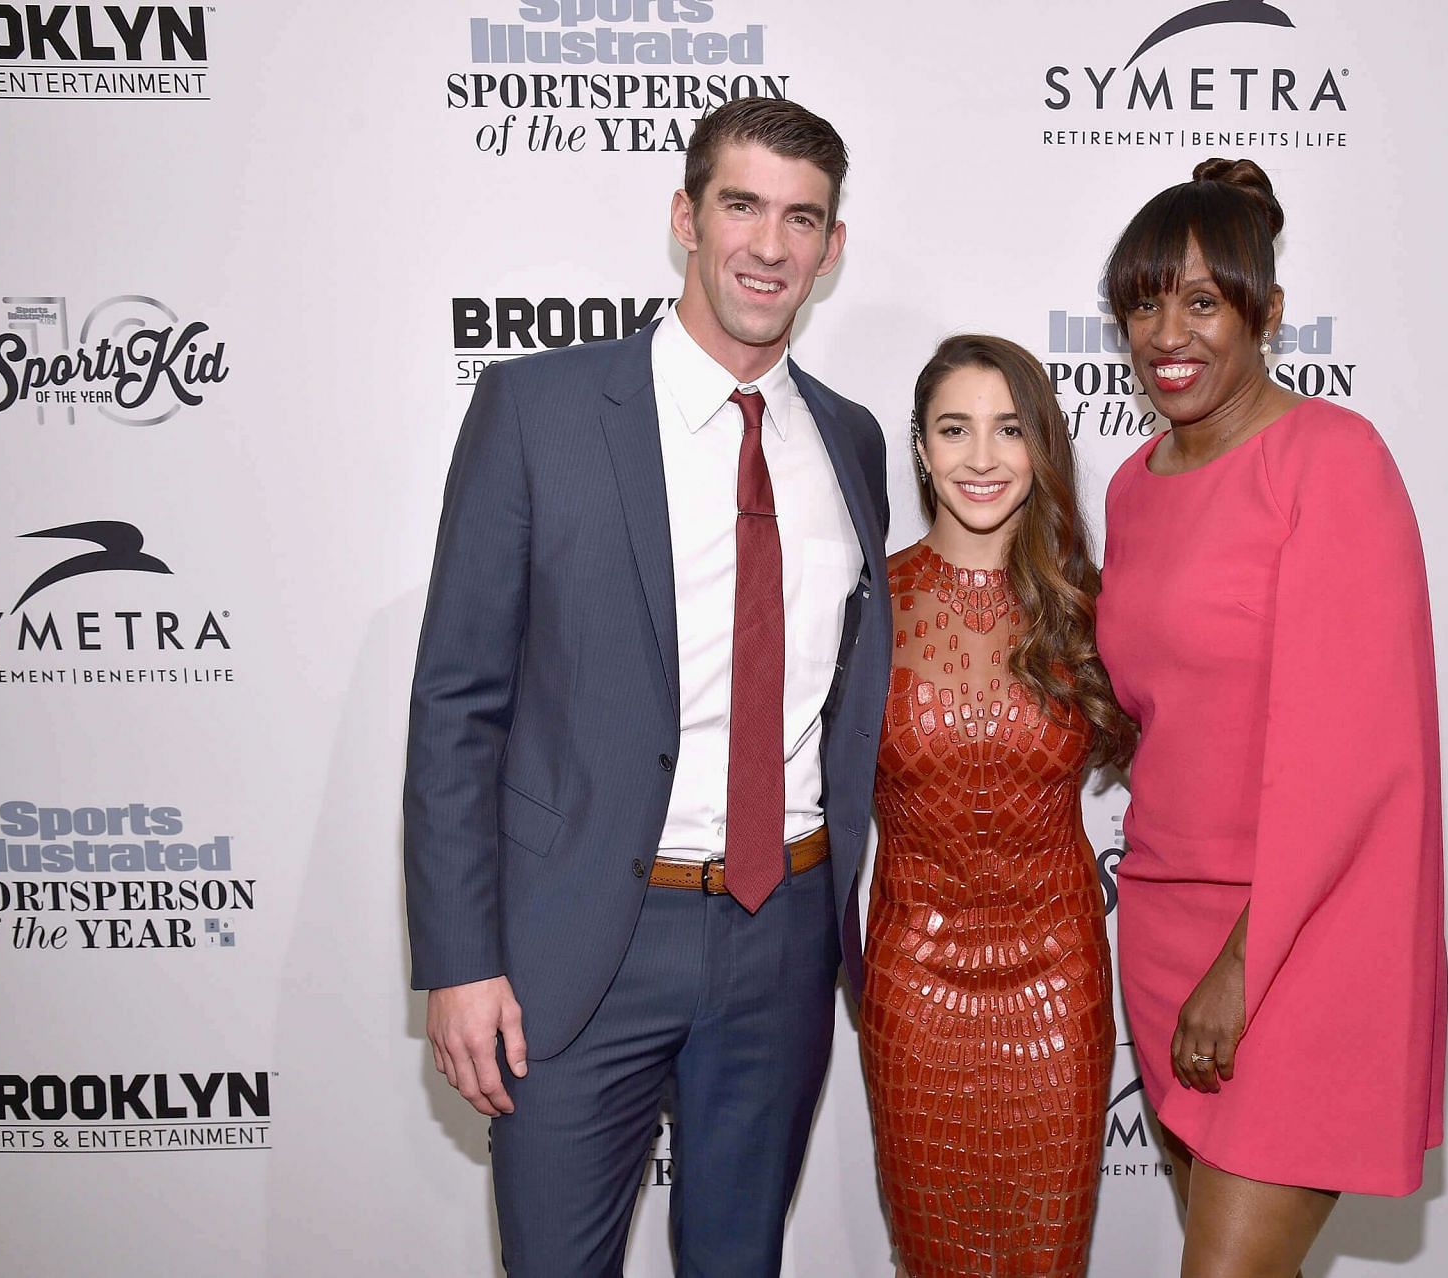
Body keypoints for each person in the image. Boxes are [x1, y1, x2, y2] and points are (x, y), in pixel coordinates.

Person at [402, 97, 890, 1277]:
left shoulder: (855, 442)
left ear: (830, 248)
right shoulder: (540, 409)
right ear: (685, 217)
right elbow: (457, 703)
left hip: (783, 938)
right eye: (741, 206)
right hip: (581, 945)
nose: (768, 246)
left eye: (801, 218)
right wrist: (461, 962)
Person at [1094, 159, 1447, 1276]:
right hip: (1161, 928)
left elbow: (1353, 758)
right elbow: (1157, 707)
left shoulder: (1332, 461)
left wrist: (1244, 968)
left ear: (1267, 313)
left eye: (1201, 300)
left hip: (1298, 939)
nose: (1167, 331)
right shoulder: (1133, 483)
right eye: (1145, 301)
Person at [860, 335, 1129, 1278]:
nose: (982, 458)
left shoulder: (1095, 611)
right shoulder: (868, 605)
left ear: (1042, 446)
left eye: (1009, 429)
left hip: (1060, 981)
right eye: (955, 430)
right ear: (922, 449)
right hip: (914, 984)